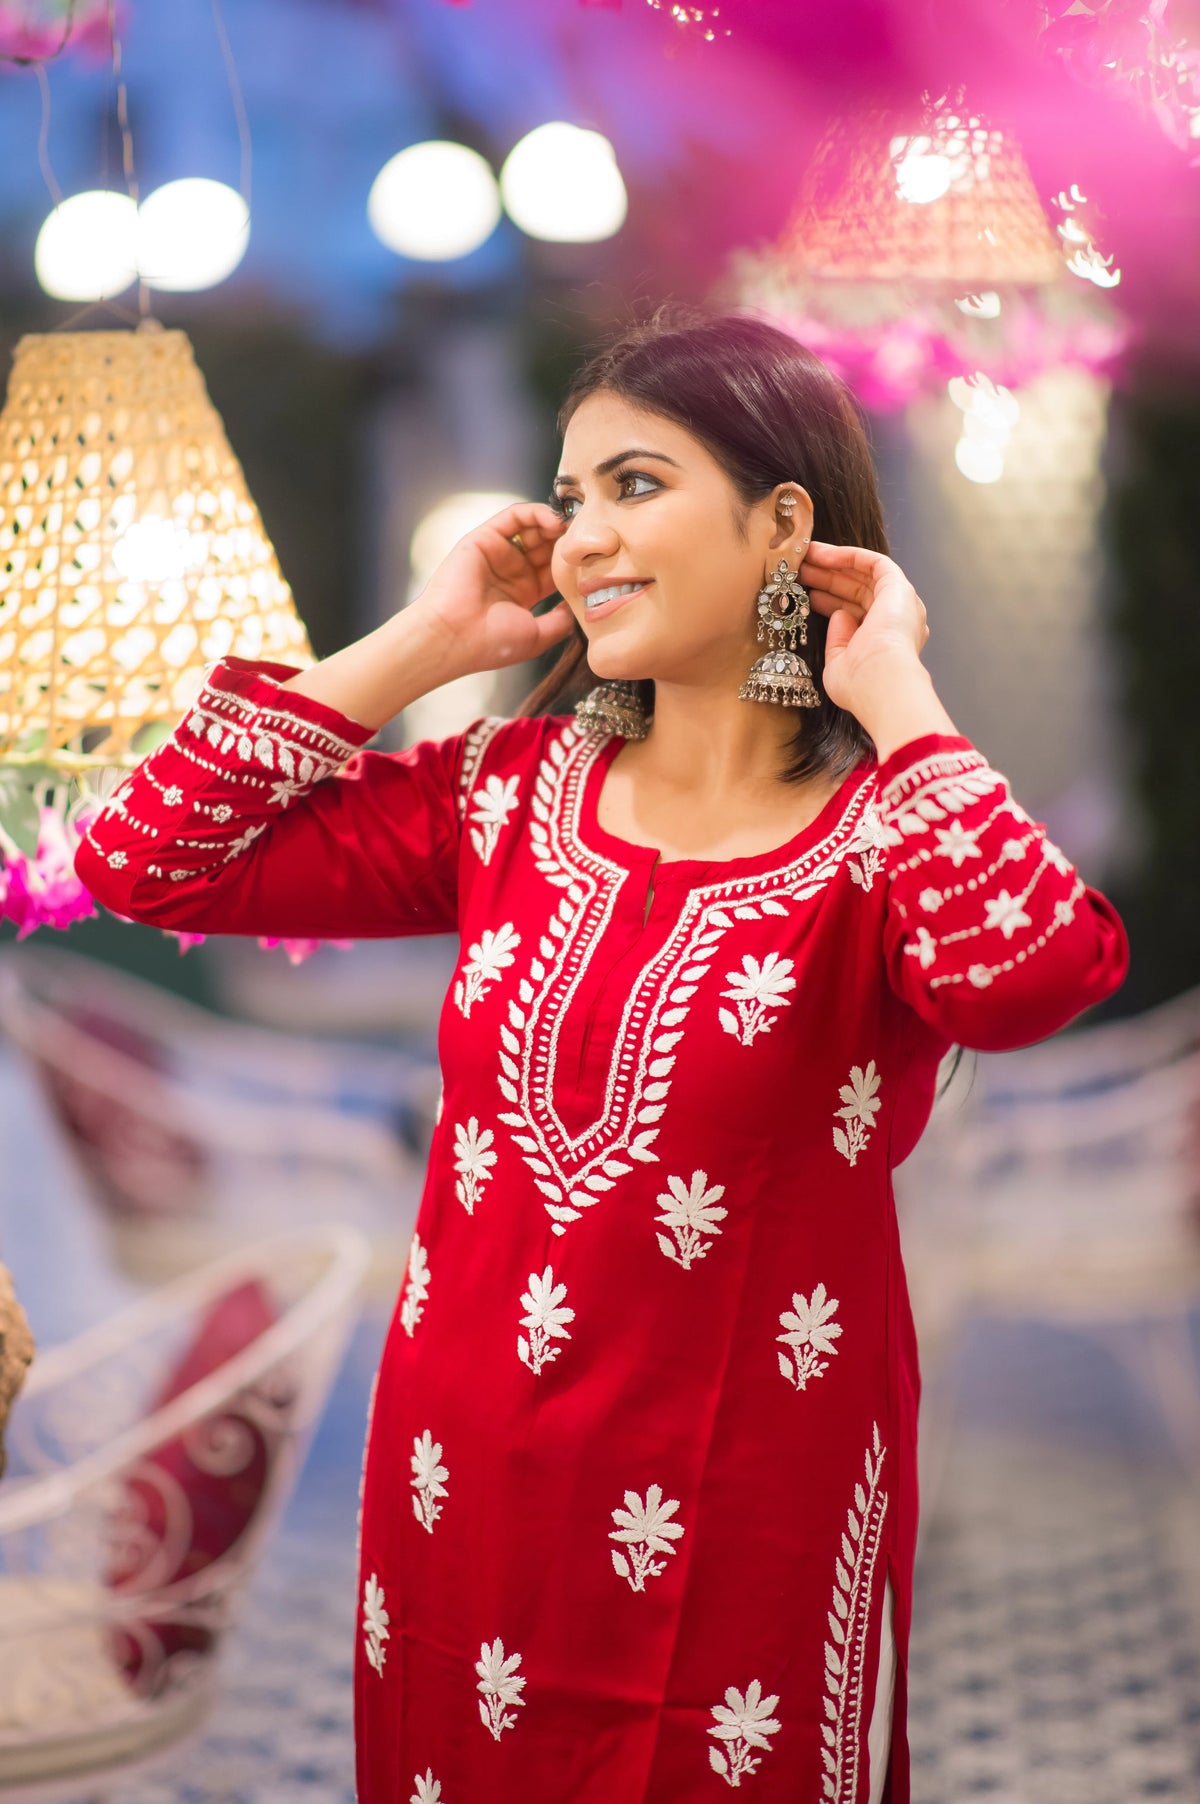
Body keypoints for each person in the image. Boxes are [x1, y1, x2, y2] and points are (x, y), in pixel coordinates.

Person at [77, 309, 1128, 1803]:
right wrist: (430, 640)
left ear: (784, 523)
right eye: (570, 497)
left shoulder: (883, 836)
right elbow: (145, 860)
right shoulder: (507, 791)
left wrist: (890, 685)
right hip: (464, 1490)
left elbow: (1029, 976)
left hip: (747, 1510)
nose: (581, 535)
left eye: (634, 486)